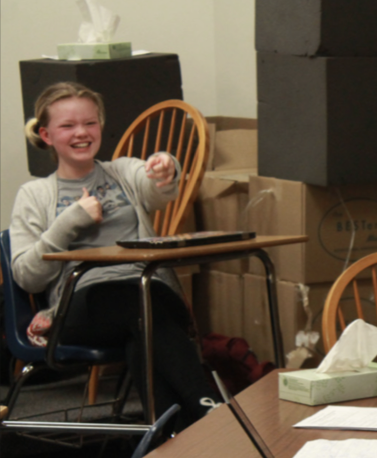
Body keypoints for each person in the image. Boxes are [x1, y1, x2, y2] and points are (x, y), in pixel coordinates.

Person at [10, 82, 220, 429]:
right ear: (46, 135)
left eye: (90, 123)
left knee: (144, 329)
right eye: (68, 126)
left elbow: (158, 189)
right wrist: (69, 223)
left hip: (146, 297)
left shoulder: (121, 172)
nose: (82, 133)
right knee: (139, 303)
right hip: (81, 307)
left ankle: (167, 437)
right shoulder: (34, 194)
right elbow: (27, 276)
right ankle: (208, 407)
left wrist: (165, 168)